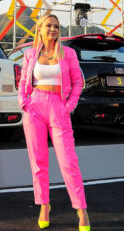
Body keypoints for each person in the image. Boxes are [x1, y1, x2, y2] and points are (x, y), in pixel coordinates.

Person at [18, 14, 90, 230]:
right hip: (34, 107)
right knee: (38, 162)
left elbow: (78, 82)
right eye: (48, 25)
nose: (53, 29)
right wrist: (24, 103)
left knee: (68, 162)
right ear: (39, 29)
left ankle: (81, 210)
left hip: (59, 107)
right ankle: (44, 205)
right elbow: (22, 82)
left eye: (56, 26)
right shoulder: (30, 54)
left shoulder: (68, 54)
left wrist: (69, 106)